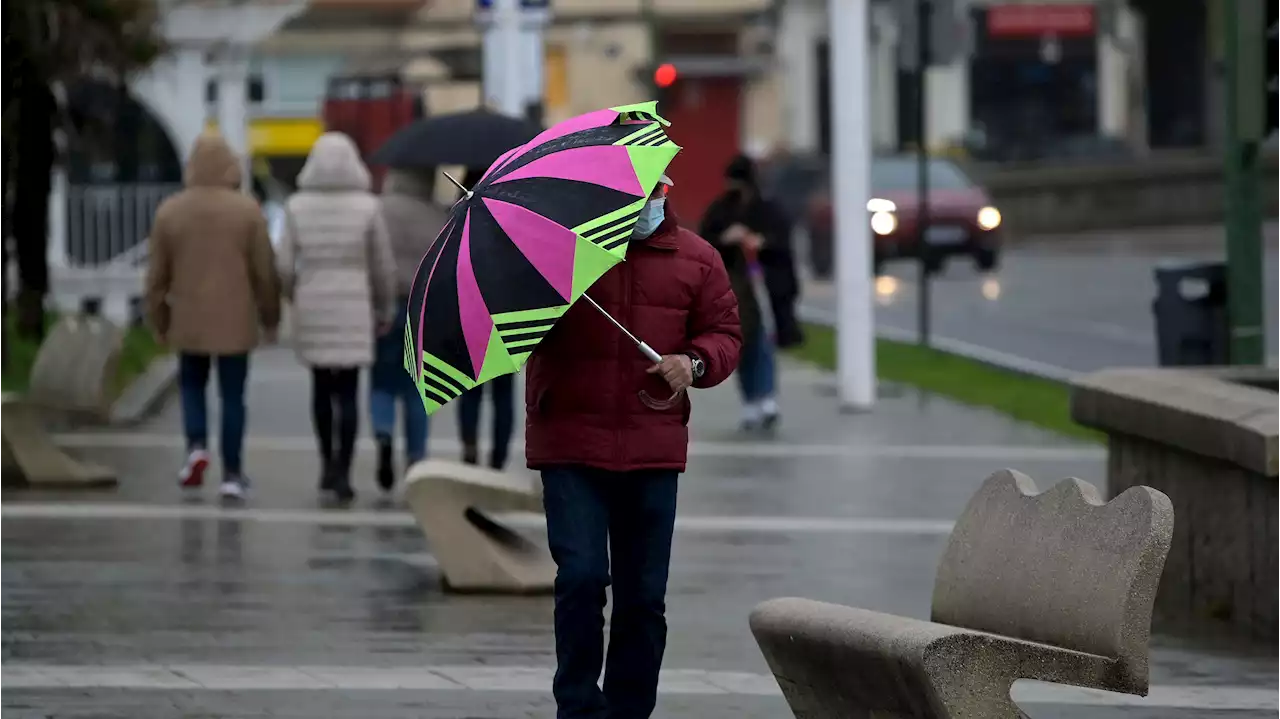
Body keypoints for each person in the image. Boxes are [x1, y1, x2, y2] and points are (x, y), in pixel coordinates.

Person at [524, 175, 742, 719]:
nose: (646, 205)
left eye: (656, 194)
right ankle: (576, 706)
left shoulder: (698, 258)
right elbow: (521, 330)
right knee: (580, 579)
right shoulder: (560, 255)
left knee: (643, 599)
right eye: (634, 196)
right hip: (571, 444)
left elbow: (724, 333)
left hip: (652, 448)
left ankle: (628, 710)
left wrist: (690, 364)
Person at [145, 130, 281, 500]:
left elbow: (156, 277)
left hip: (188, 319)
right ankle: (233, 474)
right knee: (233, 395)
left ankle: (196, 448)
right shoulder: (247, 210)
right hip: (235, 322)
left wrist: (159, 320)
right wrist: (271, 318)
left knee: (191, 386)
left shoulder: (170, 212)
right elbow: (265, 272)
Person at [278, 131, 397, 504]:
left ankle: (326, 464)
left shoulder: (296, 207)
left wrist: (294, 291)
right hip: (354, 304)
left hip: (312, 300)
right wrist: (384, 308)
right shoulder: (368, 206)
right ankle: (344, 472)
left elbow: (282, 265)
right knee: (348, 391)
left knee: (320, 389)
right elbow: (382, 266)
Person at [699, 154, 800, 431]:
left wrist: (760, 241)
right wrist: (725, 239)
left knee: (763, 343)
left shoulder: (767, 210)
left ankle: (766, 397)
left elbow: (781, 243)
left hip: (764, 291)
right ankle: (750, 401)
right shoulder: (720, 210)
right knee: (741, 346)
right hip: (734, 293)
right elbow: (705, 242)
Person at [374, 169, 449, 490]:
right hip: (424, 303)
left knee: (382, 380)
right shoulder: (436, 212)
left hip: (388, 303)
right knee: (418, 385)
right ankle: (416, 456)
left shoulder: (379, 210)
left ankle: (384, 433)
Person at [454, 166, 516, 470]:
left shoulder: (459, 215)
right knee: (503, 393)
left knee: (470, 388)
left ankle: (469, 448)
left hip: (470, 312)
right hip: (506, 312)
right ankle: (498, 458)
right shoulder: (512, 212)